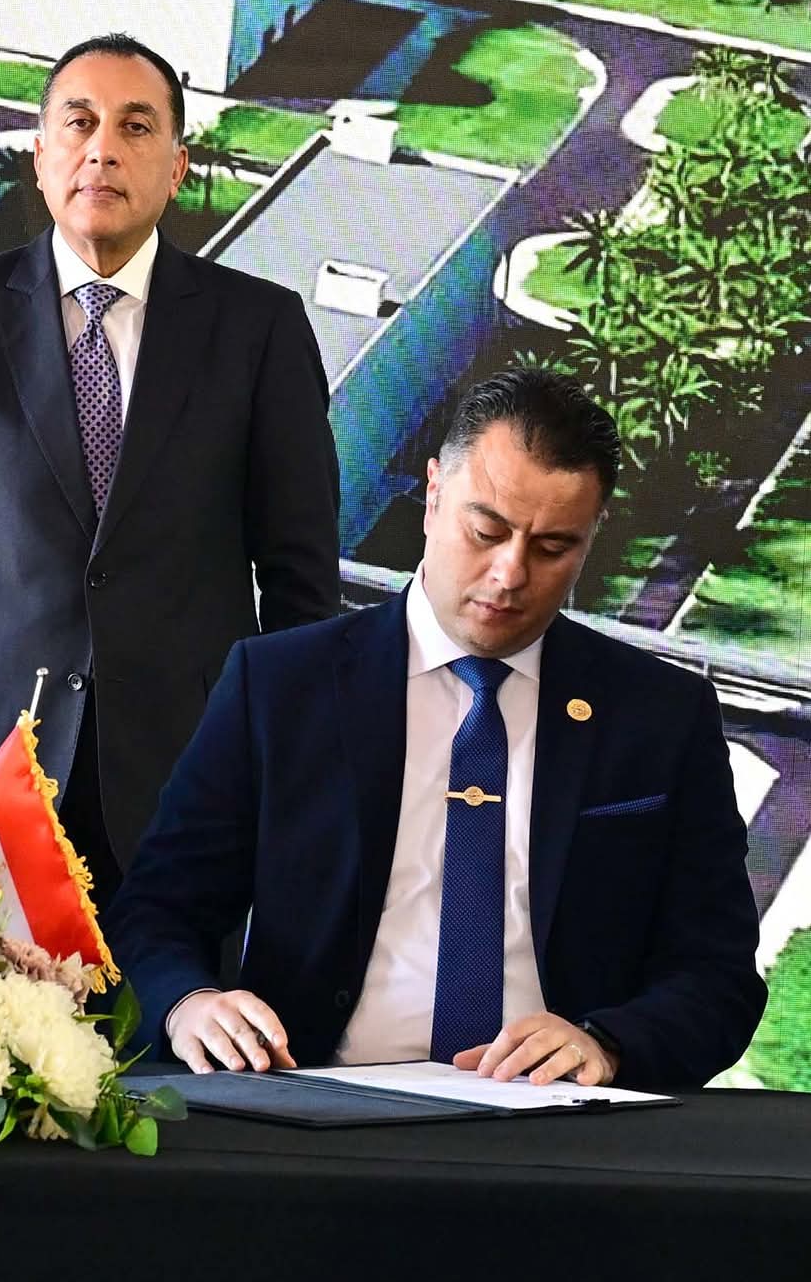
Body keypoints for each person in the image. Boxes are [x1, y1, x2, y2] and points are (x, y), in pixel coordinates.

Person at [109, 369, 765, 1090]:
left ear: (592, 537)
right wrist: (189, 1004)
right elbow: (156, 910)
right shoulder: (281, 687)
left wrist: (607, 1044)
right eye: (486, 532)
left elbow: (719, 974)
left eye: (553, 548)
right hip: (313, 1101)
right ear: (432, 495)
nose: (510, 573)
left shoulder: (659, 715)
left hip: (557, 1119)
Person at [0, 32, 339, 902]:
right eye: (79, 122)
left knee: (171, 993)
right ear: (41, 157)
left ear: (177, 168)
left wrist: (274, 771)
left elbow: (303, 588)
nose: (102, 149)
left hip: (192, 783)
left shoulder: (259, 331)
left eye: (136, 126)